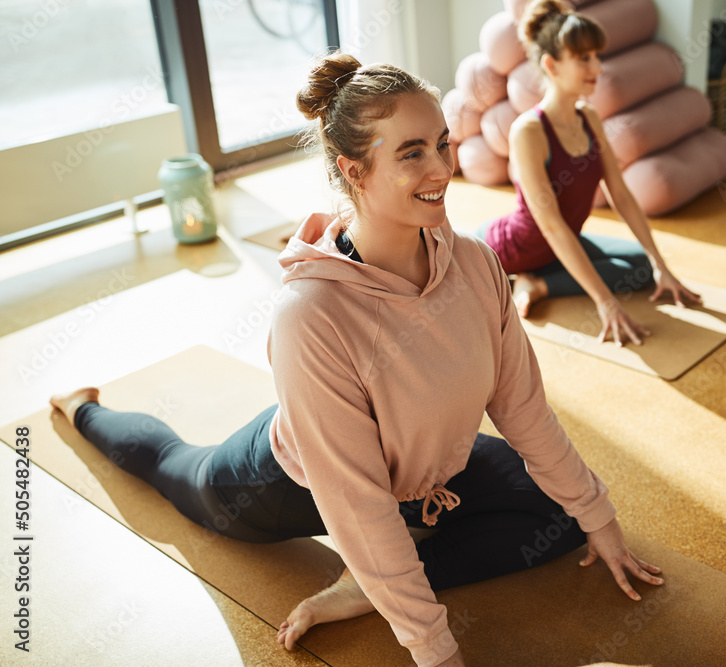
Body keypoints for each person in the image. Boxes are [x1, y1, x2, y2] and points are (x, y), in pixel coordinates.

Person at [49, 52, 665, 667]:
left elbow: (524, 409)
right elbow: (359, 503)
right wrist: (434, 648)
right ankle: (83, 411)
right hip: (296, 481)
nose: (441, 168)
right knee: (176, 470)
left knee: (561, 512)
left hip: (425, 468)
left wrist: (600, 519)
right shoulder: (310, 315)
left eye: (442, 144)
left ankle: (362, 588)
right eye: (411, 152)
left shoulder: (475, 264)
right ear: (354, 170)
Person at [480, 0, 703, 347]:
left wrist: (662, 265)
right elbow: (551, 225)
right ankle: (532, 278)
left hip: (562, 241)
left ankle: (537, 282)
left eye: (597, 55)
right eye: (584, 58)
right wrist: (605, 301)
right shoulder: (528, 131)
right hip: (518, 248)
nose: (597, 67)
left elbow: (621, 194)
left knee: (641, 267)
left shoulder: (589, 117)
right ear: (551, 65)